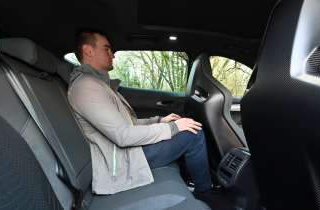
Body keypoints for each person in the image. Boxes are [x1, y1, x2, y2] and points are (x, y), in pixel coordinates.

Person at [68, 29, 215, 199]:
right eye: (107, 49)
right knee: (193, 134)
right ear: (88, 51)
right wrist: (173, 128)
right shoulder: (86, 87)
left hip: (126, 153)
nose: (113, 54)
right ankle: (205, 195)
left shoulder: (97, 84)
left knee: (187, 129)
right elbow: (123, 136)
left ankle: (194, 184)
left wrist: (160, 120)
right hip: (122, 162)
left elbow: (128, 124)